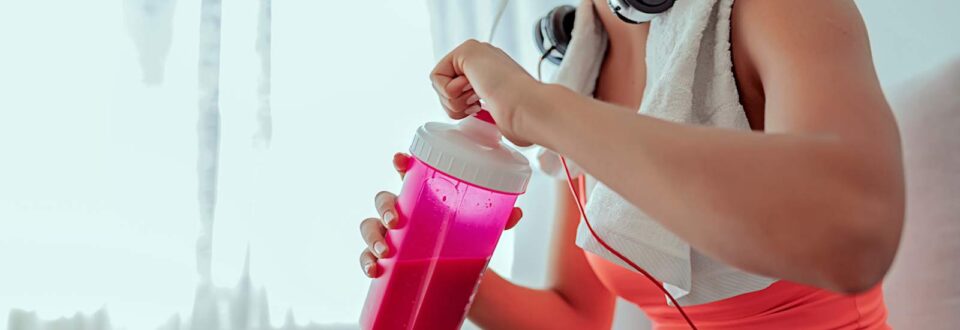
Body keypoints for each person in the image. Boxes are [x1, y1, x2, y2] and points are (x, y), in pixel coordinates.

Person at [358, 0, 903, 328]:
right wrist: (433, 263)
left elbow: (855, 232)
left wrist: (538, 109)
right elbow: (575, 318)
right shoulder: (585, 56)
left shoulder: (776, 11)